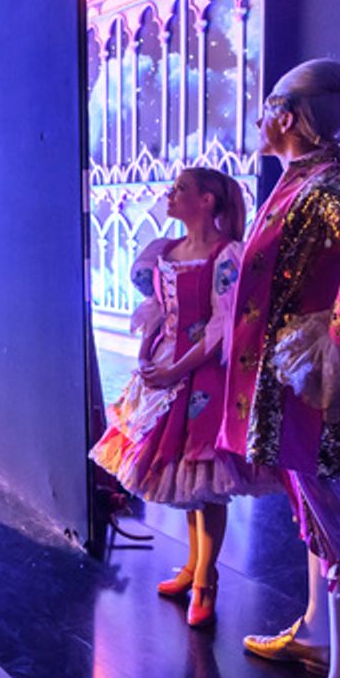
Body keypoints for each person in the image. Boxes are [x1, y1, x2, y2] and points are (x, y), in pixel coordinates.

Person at [220, 59, 340, 678]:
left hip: (321, 396)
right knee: (317, 515)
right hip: (295, 391)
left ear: (288, 117)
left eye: (266, 107)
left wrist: (338, 341)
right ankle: (316, 637)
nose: (258, 120)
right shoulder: (301, 180)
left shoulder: (327, 184)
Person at [91, 166, 277, 627]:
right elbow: (158, 309)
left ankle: (206, 580)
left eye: (180, 190)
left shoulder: (225, 255)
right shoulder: (165, 252)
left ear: (207, 200)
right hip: (167, 371)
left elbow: (223, 324)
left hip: (204, 376)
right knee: (185, 481)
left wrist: (178, 365)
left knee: (205, 481)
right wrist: (150, 356)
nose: (170, 195)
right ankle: (193, 566)